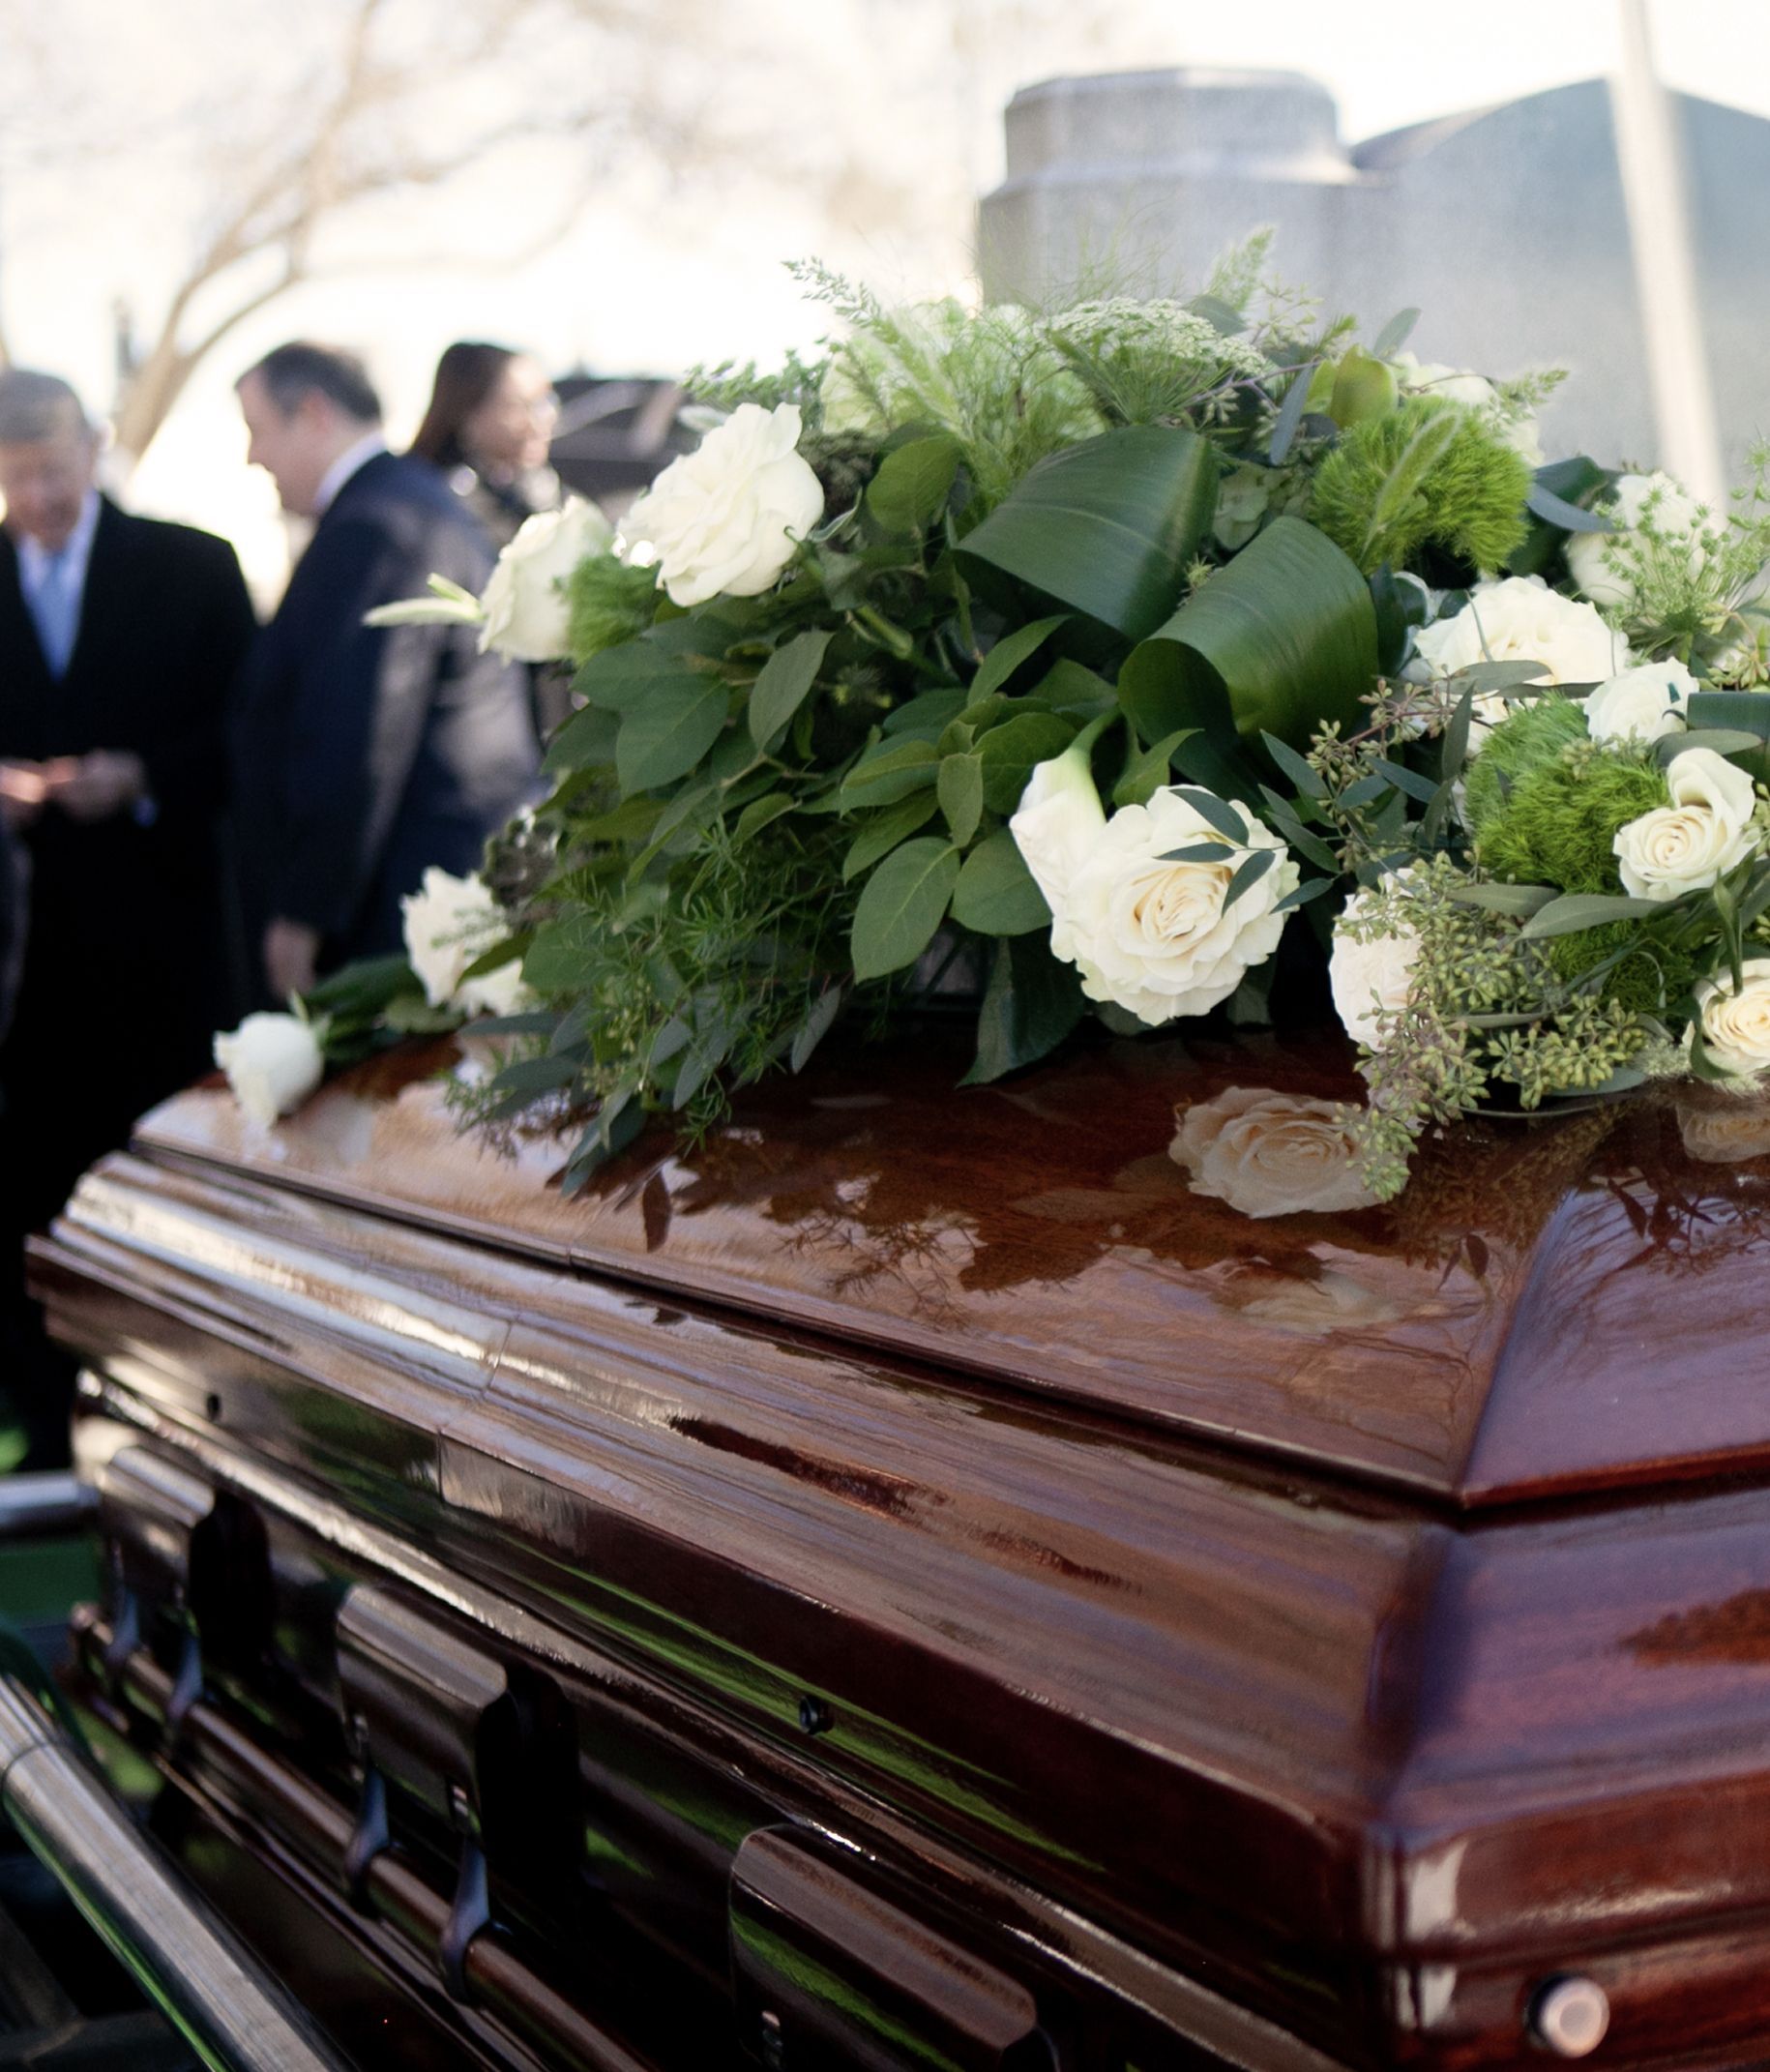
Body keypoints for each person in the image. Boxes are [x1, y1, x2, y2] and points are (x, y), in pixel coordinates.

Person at [0, 367, 256, 1466]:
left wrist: (140, 776)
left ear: (94, 449)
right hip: (19, 983)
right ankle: (51, 1433)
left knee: (165, 1198)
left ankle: (185, 1435)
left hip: (161, 960)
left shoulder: (194, 570)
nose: (38, 498)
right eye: (14, 481)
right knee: (29, 1203)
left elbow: (248, 743)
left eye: (52, 470)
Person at [231, 341, 540, 1002]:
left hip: (404, 903)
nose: (252, 456)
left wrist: (304, 910)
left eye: (257, 430)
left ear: (311, 413)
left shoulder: (375, 526)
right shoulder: (406, 499)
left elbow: (358, 730)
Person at [408, 341, 560, 548]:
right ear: (467, 413)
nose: (542, 418)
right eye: (518, 406)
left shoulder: (547, 492)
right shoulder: (436, 507)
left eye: (546, 401)